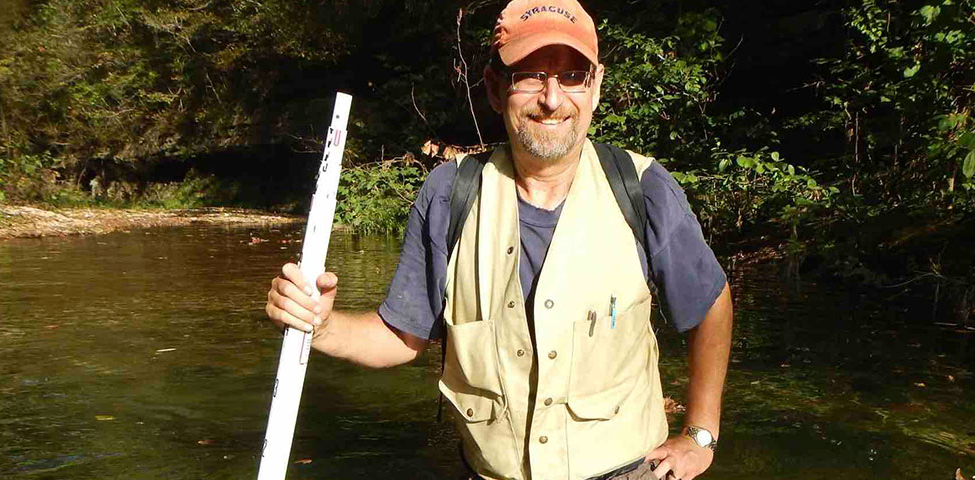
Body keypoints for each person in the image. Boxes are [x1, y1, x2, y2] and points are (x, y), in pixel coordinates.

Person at [265, 1, 733, 479]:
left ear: (595, 87)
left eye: (572, 75)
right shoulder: (449, 195)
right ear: (494, 87)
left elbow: (711, 304)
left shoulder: (643, 189)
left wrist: (699, 435)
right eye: (530, 75)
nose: (552, 98)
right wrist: (318, 325)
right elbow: (401, 338)